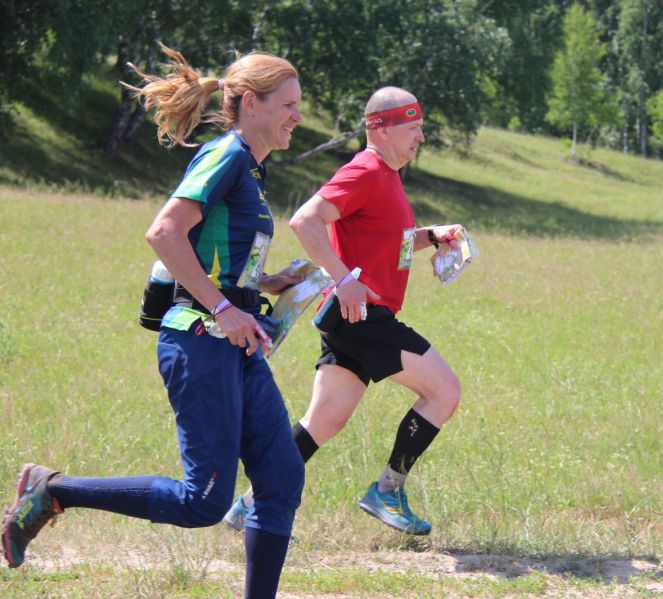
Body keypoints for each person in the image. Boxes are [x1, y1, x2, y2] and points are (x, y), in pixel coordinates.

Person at [2, 45, 306, 598]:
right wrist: (223, 308)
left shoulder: (251, 170)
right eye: (288, 104)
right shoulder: (228, 156)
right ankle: (53, 490)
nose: (298, 116)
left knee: (282, 477)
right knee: (204, 503)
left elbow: (214, 258)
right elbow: (164, 233)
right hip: (200, 338)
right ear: (252, 104)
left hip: (236, 343)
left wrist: (266, 284)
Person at [222, 86, 463, 536]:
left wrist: (434, 234)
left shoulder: (387, 177)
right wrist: (345, 279)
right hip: (364, 316)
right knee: (444, 392)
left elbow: (391, 241)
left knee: (325, 420)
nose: (421, 138)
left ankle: (249, 505)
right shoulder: (366, 170)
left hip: (348, 317)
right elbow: (304, 220)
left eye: (421, 129)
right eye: (413, 129)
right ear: (381, 128)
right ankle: (387, 492)